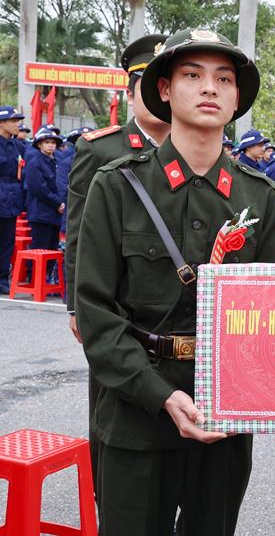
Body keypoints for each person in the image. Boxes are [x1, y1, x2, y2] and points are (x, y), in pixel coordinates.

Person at [74, 28, 275, 535]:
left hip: (225, 417)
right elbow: (96, 315)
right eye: (192, 75)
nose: (210, 88)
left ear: (237, 97)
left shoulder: (260, 197)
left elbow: (272, 314)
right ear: (165, 90)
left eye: (224, 79)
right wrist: (162, 395)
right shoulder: (118, 185)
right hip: (137, 409)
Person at [64, 35, 173, 487]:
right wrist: (77, 306)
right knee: (112, 400)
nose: (159, 96)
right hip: (116, 301)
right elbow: (78, 234)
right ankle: (108, 495)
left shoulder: (195, 149)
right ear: (131, 93)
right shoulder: (102, 149)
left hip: (171, 304)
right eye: (148, 86)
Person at [24, 128, 65, 283]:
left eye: (53, 142)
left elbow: (60, 184)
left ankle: (47, 279)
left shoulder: (57, 162)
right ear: (39, 144)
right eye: (47, 142)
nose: (50, 145)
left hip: (55, 212)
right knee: (40, 246)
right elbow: (38, 188)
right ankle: (34, 279)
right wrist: (57, 202)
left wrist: (61, 203)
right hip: (40, 212)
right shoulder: (35, 163)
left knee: (52, 247)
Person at [0, 106, 26, 295]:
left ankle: (2, 279)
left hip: (11, 199)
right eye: (14, 121)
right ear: (2, 123)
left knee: (7, 242)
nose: (18, 124)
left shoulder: (18, 146)